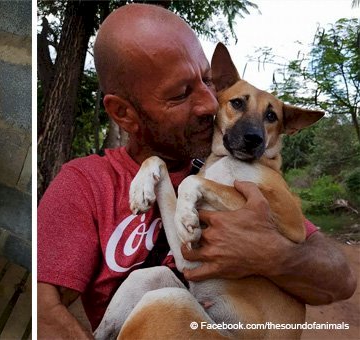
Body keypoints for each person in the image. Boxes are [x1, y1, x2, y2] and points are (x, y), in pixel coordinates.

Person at [37, 4, 356, 339]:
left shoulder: (238, 180)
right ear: (124, 114)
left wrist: (270, 254)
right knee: (152, 285)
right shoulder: (86, 182)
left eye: (208, 81)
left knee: (164, 297)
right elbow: (44, 311)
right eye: (181, 93)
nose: (210, 102)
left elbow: (340, 279)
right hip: (180, 314)